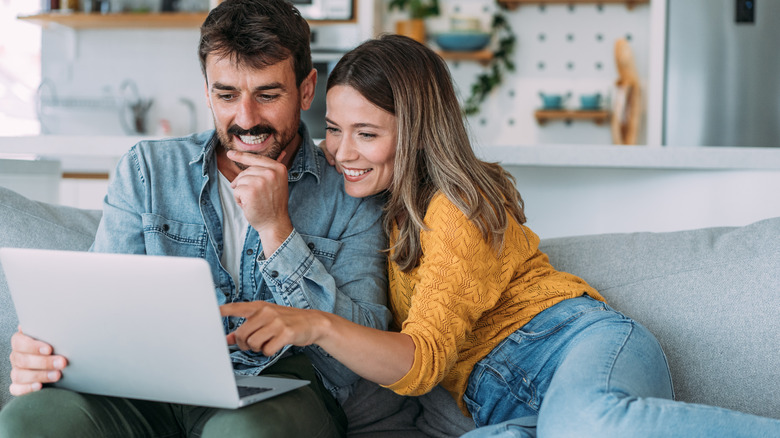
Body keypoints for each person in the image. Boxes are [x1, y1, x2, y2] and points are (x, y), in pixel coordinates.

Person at [220, 34, 780, 437]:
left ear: (416, 134)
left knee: (586, 424)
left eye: (366, 133)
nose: (342, 152)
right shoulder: (376, 205)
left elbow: (421, 364)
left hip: (575, 347)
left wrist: (316, 325)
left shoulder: (456, 209)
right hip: (505, 406)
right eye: (335, 130)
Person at [0, 1, 391, 436]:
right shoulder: (149, 171)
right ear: (206, 90)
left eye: (267, 95)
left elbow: (361, 352)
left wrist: (276, 230)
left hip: (282, 388)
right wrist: (45, 350)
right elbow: (97, 312)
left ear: (305, 89)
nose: (246, 119)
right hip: (150, 388)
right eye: (226, 95)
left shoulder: (350, 189)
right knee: (29, 418)